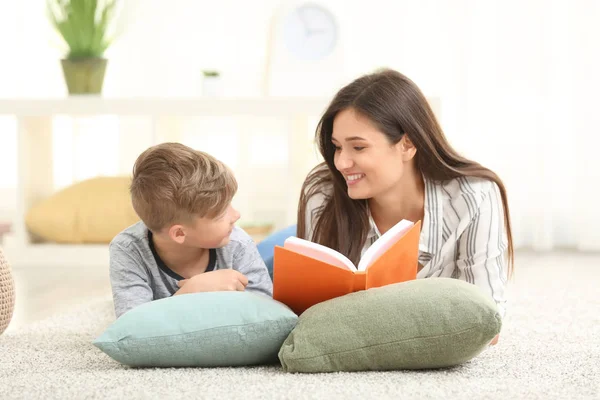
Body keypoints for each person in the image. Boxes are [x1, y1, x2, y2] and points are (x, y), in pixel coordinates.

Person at [297, 69, 513, 344]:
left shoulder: (474, 196)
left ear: (407, 145)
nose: (341, 163)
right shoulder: (323, 193)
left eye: (358, 148)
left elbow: (488, 323)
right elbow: (307, 319)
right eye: (337, 147)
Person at [109, 143, 273, 318]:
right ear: (179, 233)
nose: (236, 215)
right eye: (220, 215)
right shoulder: (127, 249)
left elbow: (266, 308)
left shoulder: (237, 242)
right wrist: (193, 291)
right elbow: (132, 323)